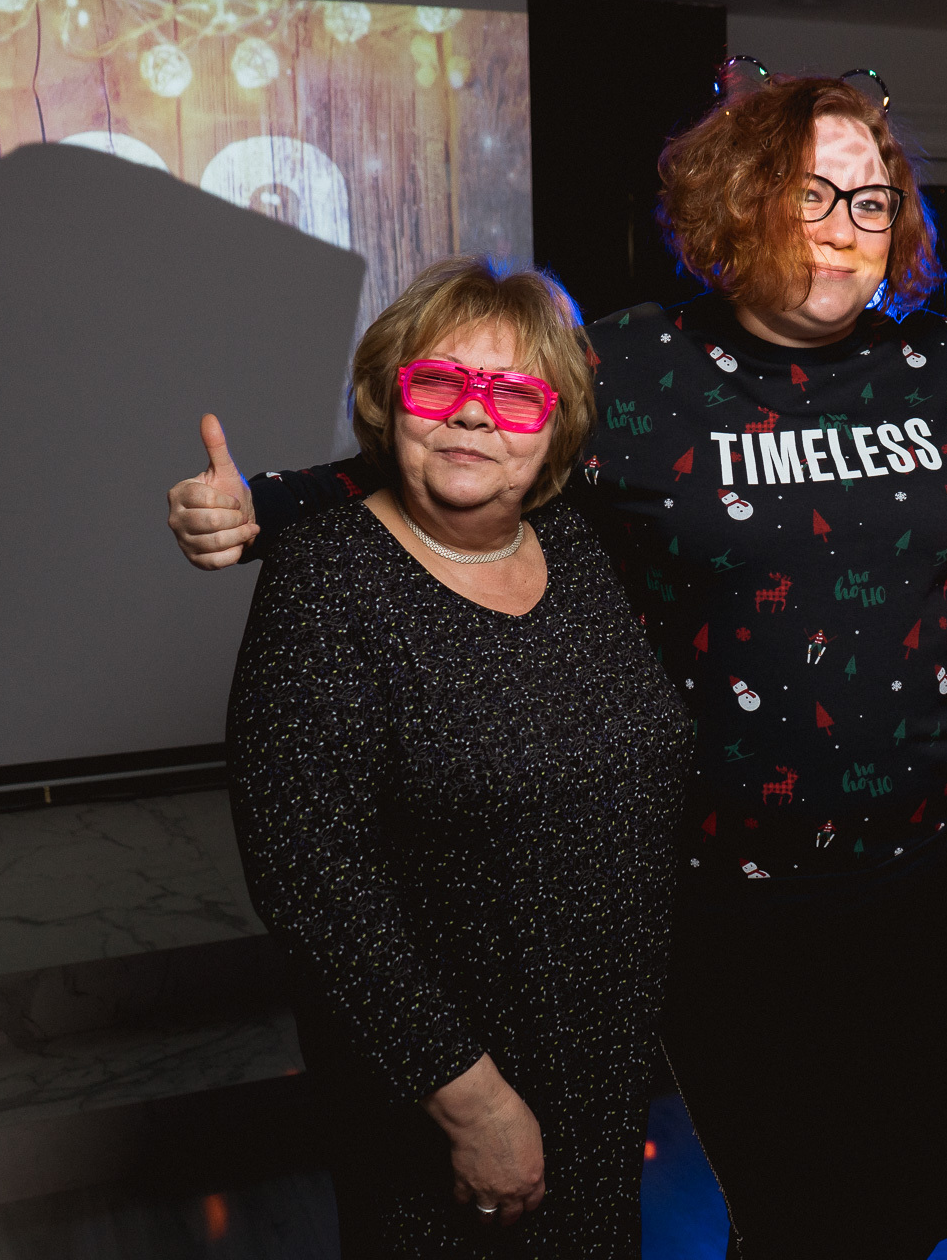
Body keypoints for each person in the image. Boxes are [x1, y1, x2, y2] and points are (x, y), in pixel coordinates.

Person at [173, 74, 947, 1258]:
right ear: (738, 202)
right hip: (734, 906)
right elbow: (467, 433)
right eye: (807, 194)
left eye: (869, 202)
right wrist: (267, 505)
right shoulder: (631, 369)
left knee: (933, 1192)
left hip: (932, 889)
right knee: (803, 1214)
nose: (840, 228)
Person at [225, 259, 692, 1258]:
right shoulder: (326, 578)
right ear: (390, 399)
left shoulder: (581, 548)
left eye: (515, 395)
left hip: (602, 1071)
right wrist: (472, 1103)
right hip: (444, 1087)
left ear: (557, 425)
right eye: (440, 382)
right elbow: (313, 885)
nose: (474, 415)